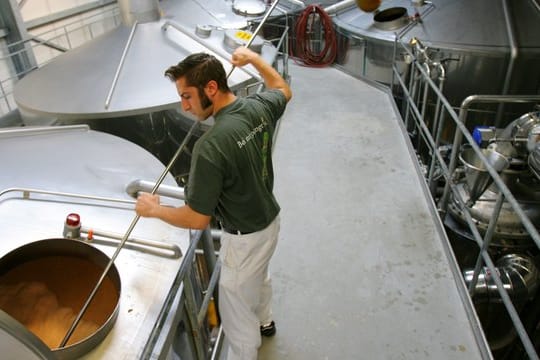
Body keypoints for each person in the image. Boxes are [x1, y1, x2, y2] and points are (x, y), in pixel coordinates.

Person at [135, 46, 292, 360]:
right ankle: (266, 321)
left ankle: (247, 352)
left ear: (211, 88)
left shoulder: (209, 147)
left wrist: (154, 210)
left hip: (244, 237)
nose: (184, 106)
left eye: (187, 96)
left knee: (235, 310)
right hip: (270, 219)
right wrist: (254, 60)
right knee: (259, 277)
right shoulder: (256, 107)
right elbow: (283, 89)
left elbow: (196, 219)